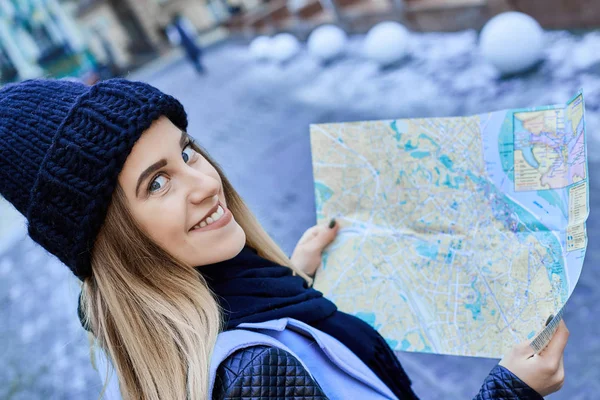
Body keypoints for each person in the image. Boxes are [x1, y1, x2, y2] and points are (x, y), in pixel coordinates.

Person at [0, 78, 569, 400]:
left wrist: (294, 278)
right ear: (114, 244)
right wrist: (512, 393)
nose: (205, 182)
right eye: (158, 183)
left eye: (186, 151)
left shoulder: (182, 328)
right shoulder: (255, 381)